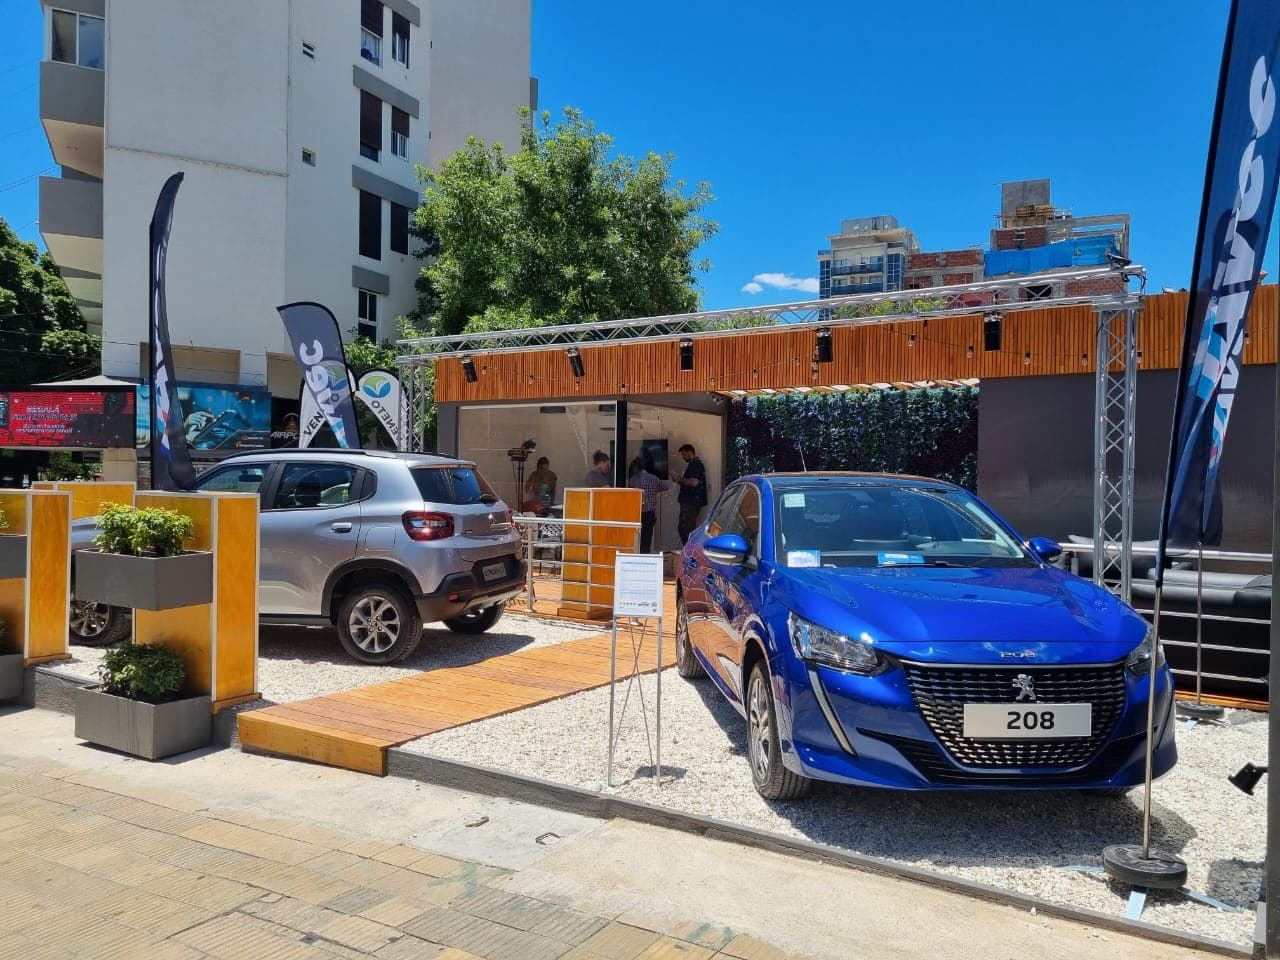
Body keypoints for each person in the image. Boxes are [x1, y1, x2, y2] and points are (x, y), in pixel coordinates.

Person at [627, 456, 669, 553]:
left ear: (635, 468)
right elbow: (666, 487)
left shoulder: (633, 480)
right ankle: (644, 560)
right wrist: (657, 494)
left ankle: (636, 558)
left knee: (637, 539)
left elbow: (630, 496)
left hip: (637, 514)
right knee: (647, 540)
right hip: (650, 514)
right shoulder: (654, 478)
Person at [672, 442, 708, 545]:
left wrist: (679, 479)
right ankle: (688, 549)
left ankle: (688, 550)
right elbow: (690, 483)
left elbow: (694, 482)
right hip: (691, 501)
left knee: (686, 528)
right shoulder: (694, 464)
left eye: (683, 454)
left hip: (691, 502)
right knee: (685, 528)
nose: (683, 457)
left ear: (690, 452)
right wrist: (679, 480)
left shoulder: (696, 464)